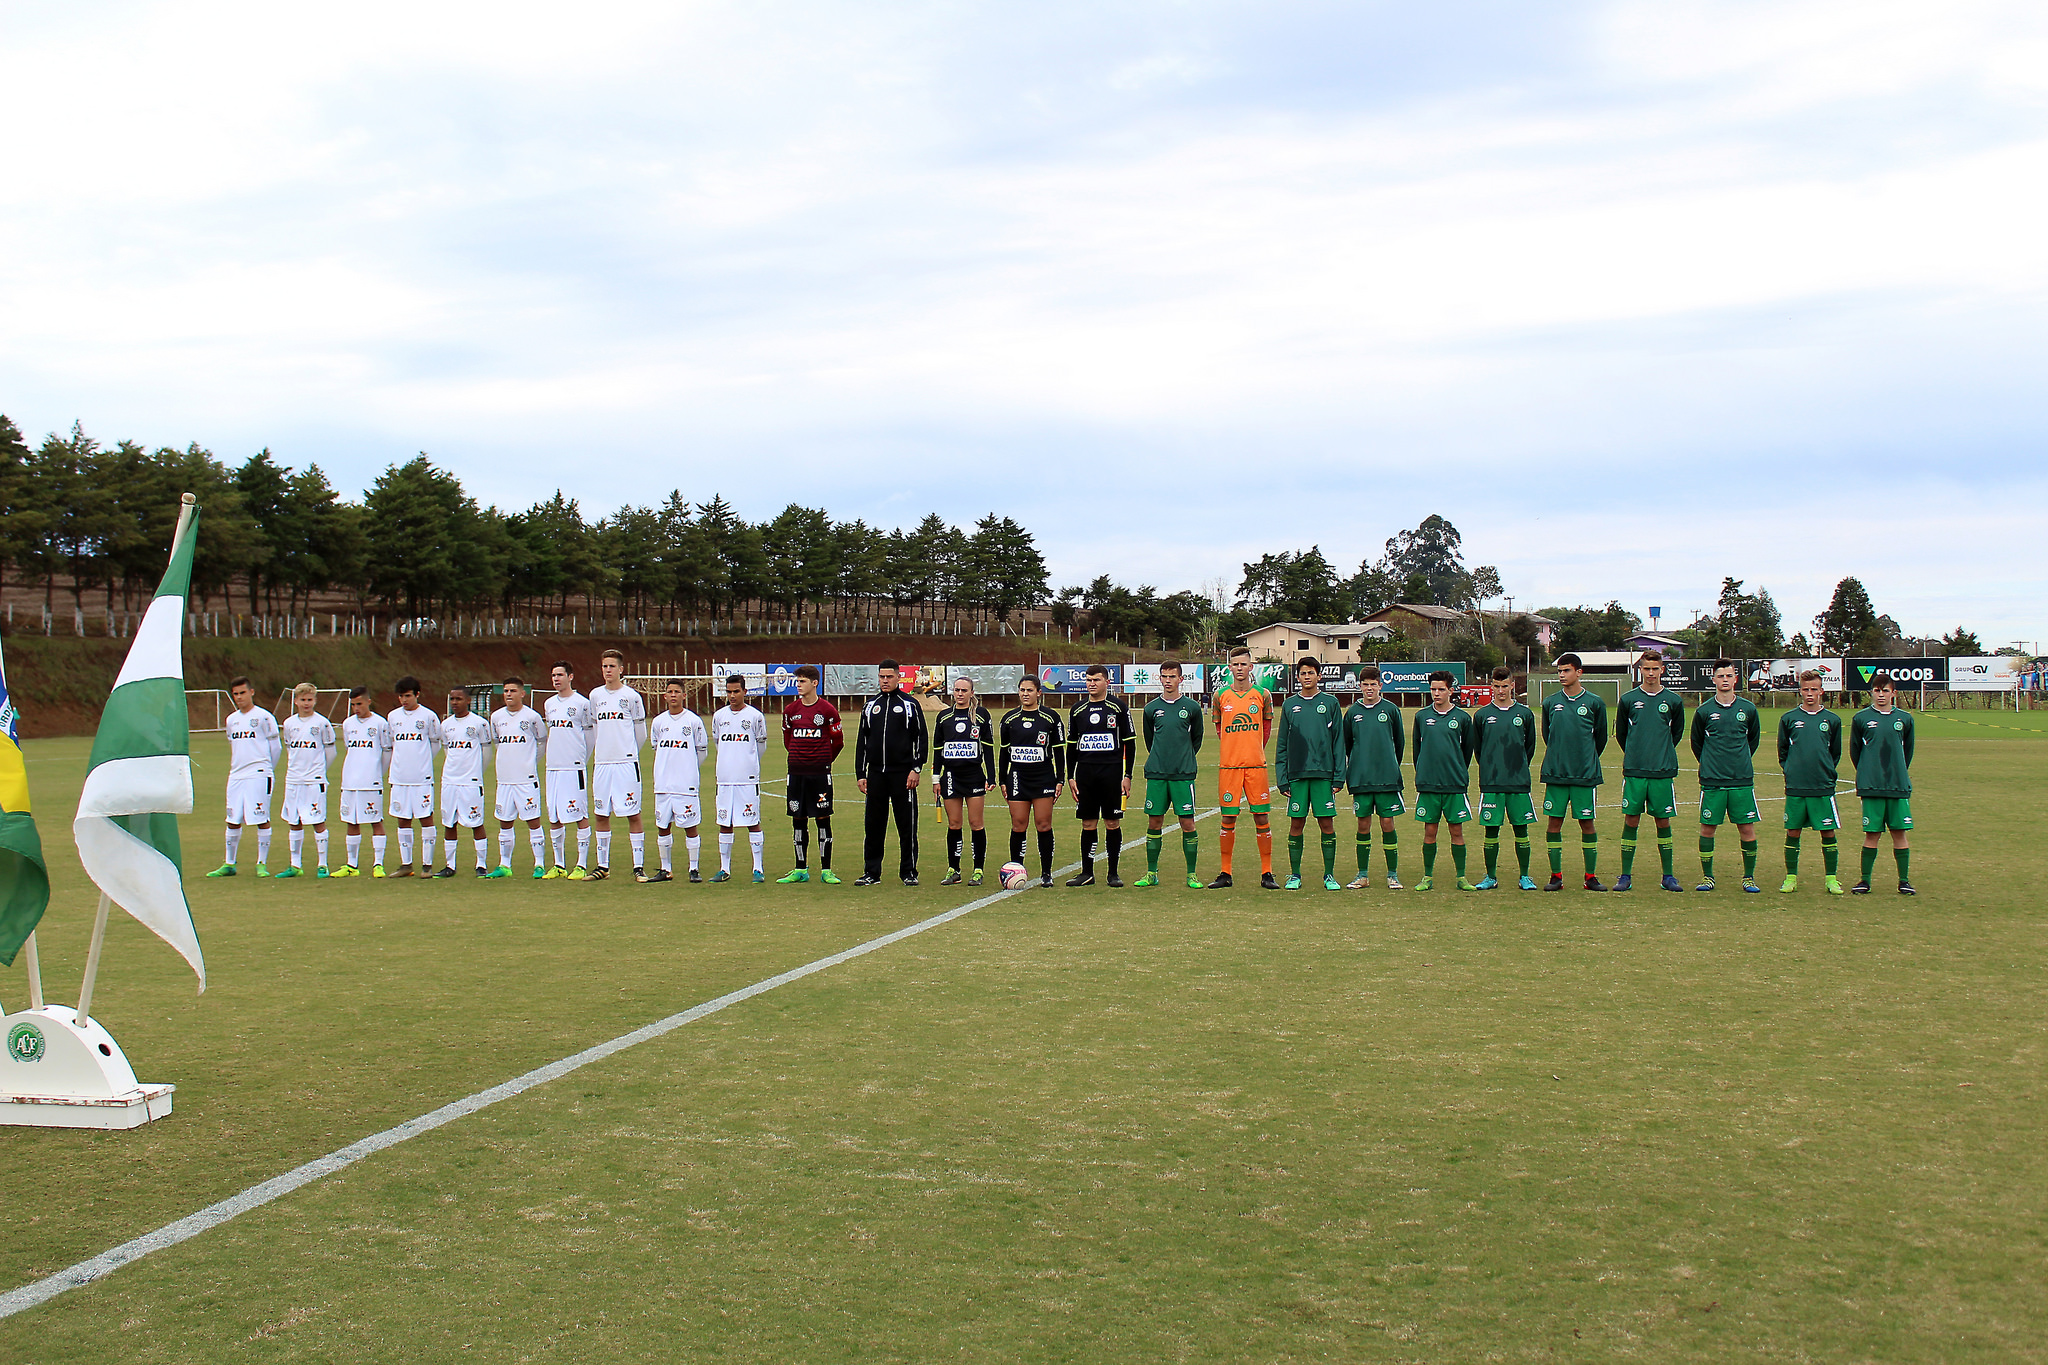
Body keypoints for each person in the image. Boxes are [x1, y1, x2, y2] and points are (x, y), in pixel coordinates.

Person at [1615, 649, 1687, 893]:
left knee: (1663, 821)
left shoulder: (1674, 701)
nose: (1651, 673)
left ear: (1662, 670)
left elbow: (1675, 733)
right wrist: (1636, 753)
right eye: (1646, 669)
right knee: (1631, 820)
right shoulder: (1627, 700)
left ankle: (1668, 876)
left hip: (1662, 770)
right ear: (1640, 670)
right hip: (1635, 770)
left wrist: (1661, 752)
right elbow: (1623, 735)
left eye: (1655, 669)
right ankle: (1625, 876)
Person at [1690, 659, 1764, 893]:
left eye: (1729, 675)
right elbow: (1697, 744)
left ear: (1735, 679)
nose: (1724, 679)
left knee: (1747, 829)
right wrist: (1712, 764)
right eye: (1720, 675)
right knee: (1707, 829)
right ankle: (1708, 877)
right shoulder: (1703, 711)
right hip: (1712, 781)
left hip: (1741, 780)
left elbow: (1752, 740)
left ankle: (1749, 877)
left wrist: (1738, 761)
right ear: (1713, 679)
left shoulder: (1748, 709)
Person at [854, 660, 927, 886]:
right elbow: (862, 742)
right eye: (882, 677)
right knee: (874, 825)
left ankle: (908, 872)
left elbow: (921, 739)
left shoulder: (910, 704)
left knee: (907, 826)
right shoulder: (870, 705)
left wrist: (916, 768)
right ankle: (872, 873)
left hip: (902, 775)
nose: (885, 681)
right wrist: (861, 773)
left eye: (889, 677)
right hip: (876, 774)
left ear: (898, 677)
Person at [1540, 653, 1609, 892]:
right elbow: (1547, 735)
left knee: (1587, 824)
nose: (1561, 675)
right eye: (1559, 671)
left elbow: (1600, 738)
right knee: (1553, 825)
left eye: (1566, 670)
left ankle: (1590, 877)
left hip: (1584, 775)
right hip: (1556, 774)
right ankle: (1555, 876)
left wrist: (1586, 759)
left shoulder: (1594, 702)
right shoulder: (1550, 703)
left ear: (1579, 672)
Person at [1210, 646, 1276, 890]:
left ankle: (1267, 872)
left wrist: (1252, 750)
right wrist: (1233, 749)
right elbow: (1219, 729)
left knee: (1261, 817)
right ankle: (1225, 873)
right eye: (1235, 664)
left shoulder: (1263, 694)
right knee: (1228, 817)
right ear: (1230, 668)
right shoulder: (1221, 696)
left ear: (1251, 667)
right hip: (1229, 767)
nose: (1239, 668)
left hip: (1256, 766)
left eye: (1243, 664)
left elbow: (1266, 729)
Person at [1274, 658, 1343, 890]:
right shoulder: (1289, 705)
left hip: (1323, 775)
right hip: (1297, 775)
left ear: (1319, 676)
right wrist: (1282, 778)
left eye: (1311, 673)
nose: (1306, 677)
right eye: (1302, 673)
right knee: (1296, 824)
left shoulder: (1330, 703)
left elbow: (1338, 743)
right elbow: (1282, 743)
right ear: (1298, 677)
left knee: (1326, 825)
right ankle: (1295, 875)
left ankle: (1329, 875)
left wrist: (1338, 777)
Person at [1064, 664, 1135, 886]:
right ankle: (1087, 873)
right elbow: (1071, 745)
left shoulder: (1119, 707)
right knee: (1088, 823)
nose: (1091, 683)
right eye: (1088, 680)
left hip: (1111, 773)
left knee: (1112, 822)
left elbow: (1129, 743)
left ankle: (1113, 873)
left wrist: (1128, 775)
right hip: (1086, 773)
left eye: (1096, 679)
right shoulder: (1077, 710)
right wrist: (1071, 776)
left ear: (1106, 682)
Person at [1136, 662, 1204, 889]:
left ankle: (1191, 874)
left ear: (1180, 679)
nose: (1167, 681)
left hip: (1183, 774)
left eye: (1172, 677)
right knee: (1154, 822)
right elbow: (1149, 740)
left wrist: (1183, 758)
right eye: (1164, 677)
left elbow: (1197, 738)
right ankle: (1151, 873)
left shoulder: (1192, 707)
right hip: (1156, 773)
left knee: (1187, 823)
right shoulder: (1150, 708)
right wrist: (1160, 759)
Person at [1778, 669, 1845, 896]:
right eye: (1805, 689)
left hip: (1822, 785)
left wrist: (1825, 770)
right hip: (1796, 785)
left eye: (1814, 689)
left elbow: (1835, 753)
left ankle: (1831, 879)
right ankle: (1790, 878)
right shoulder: (1788, 719)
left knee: (1827, 832)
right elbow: (1783, 752)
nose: (1809, 694)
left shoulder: (1833, 720)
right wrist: (1790, 770)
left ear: (1821, 691)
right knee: (1793, 831)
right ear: (1800, 691)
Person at [206, 675, 281, 877]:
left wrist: (266, 768)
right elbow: (234, 745)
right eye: (236, 694)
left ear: (251, 692)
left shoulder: (264, 717)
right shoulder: (231, 719)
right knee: (232, 818)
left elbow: (276, 747)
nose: (239, 697)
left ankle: (261, 863)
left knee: (261, 817)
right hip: (236, 775)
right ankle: (230, 863)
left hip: (259, 773)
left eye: (243, 693)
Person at [1471, 665, 1537, 890]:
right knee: (1491, 830)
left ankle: (1525, 876)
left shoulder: (1525, 714)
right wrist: (1491, 768)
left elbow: (1530, 747)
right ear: (1491, 687)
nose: (1501, 691)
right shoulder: (1481, 715)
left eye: (1505, 686)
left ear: (1512, 686)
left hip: (1518, 781)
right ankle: (1490, 877)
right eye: (1497, 687)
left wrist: (1516, 767)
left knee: (1521, 829)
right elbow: (1478, 749)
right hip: (1492, 781)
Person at [1412, 670, 1479, 892]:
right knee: (1429, 832)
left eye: (1441, 689)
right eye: (1433, 689)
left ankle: (1461, 877)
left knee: (1456, 831)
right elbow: (1416, 750)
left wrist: (1457, 771)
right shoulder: (1421, 716)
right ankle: (1427, 876)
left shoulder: (1462, 718)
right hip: (1429, 784)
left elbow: (1467, 751)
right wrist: (1423, 773)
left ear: (1451, 690)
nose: (1436, 693)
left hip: (1454, 784)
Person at [1850, 672, 1916, 895]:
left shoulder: (1905, 719)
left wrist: (1896, 771)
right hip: (1872, 786)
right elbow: (1855, 752)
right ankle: (1864, 880)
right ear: (1871, 693)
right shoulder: (1861, 718)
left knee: (1900, 833)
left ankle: (1904, 881)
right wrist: (1869, 772)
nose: (1881, 695)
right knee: (1872, 834)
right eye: (1877, 690)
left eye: (1885, 690)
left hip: (1897, 785)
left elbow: (1907, 752)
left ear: (1893, 693)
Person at [777, 665, 844, 885]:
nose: (798, 685)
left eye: (802, 681)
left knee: (823, 819)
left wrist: (823, 760)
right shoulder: (790, 711)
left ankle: (826, 870)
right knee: (798, 819)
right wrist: (800, 758)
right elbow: (788, 740)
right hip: (796, 773)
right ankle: (800, 868)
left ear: (815, 683)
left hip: (819, 773)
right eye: (797, 681)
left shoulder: (827, 711)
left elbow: (838, 742)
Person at [1341, 665, 1405, 890]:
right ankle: (1362, 875)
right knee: (1363, 825)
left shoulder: (1391, 709)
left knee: (1387, 823)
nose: (1369, 688)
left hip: (1386, 777)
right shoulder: (1352, 712)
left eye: (1373, 684)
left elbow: (1399, 743)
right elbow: (1347, 744)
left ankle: (1392, 875)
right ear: (1359, 686)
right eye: (1365, 685)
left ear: (1380, 685)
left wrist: (1389, 765)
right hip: (1361, 778)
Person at [588, 649, 649, 882]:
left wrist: (628, 753)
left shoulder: (632, 697)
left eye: (612, 666)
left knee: (632, 813)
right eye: (604, 666)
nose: (607, 670)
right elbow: (595, 729)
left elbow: (640, 733)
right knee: (601, 813)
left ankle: (638, 866)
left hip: (625, 763)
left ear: (621, 669)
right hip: (603, 763)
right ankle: (602, 866)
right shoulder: (595, 696)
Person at [999, 675, 1065, 887]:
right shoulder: (1009, 719)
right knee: (1018, 824)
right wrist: (1002, 779)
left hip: (1043, 777)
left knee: (1043, 824)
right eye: (1022, 690)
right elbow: (1003, 753)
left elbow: (1059, 753)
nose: (1025, 694)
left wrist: (1060, 780)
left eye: (1029, 690)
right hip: (1017, 777)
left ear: (1039, 693)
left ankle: (1047, 873)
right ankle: (1016, 870)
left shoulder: (1051, 718)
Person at [933, 676, 998, 886]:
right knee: (954, 824)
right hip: (950, 776)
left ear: (972, 693)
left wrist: (991, 776)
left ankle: (978, 869)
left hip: (973, 776)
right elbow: (937, 750)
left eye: (964, 690)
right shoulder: (944, 716)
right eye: (957, 690)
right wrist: (936, 779)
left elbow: (988, 747)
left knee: (976, 823)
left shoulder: (981, 715)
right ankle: (954, 869)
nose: (960, 694)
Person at [487, 678, 549, 879]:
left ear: (522, 693)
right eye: (505, 691)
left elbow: (542, 742)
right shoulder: (496, 717)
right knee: (505, 822)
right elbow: (497, 742)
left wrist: (530, 762)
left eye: (513, 691)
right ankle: (504, 865)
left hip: (526, 779)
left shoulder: (532, 717)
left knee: (533, 820)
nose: (508, 694)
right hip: (504, 780)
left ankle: (539, 864)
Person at [649, 678, 710, 883]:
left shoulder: (693, 721)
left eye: (677, 691)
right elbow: (656, 748)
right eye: (670, 691)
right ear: (665, 696)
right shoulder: (658, 722)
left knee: (690, 826)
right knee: (663, 825)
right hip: (663, 784)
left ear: (684, 695)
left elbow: (701, 751)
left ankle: (694, 868)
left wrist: (689, 768)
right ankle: (665, 868)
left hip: (686, 784)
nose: (673, 695)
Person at [712, 674, 770, 882]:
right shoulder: (719, 716)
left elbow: (760, 746)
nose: (732, 695)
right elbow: (718, 742)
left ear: (745, 692)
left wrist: (748, 763)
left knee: (752, 820)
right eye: (729, 692)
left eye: (736, 691)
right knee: (724, 821)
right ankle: (724, 869)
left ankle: (758, 869)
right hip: (725, 778)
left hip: (747, 778)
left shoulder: (755, 716)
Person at [275, 682, 336, 878]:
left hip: (314, 780)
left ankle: (323, 864)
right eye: (303, 700)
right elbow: (289, 748)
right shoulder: (289, 723)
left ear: (315, 700)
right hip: (294, 779)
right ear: (296, 701)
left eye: (310, 699)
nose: (306, 703)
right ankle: (295, 865)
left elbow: (331, 752)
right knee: (294, 821)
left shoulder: (322, 723)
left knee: (318, 820)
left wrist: (319, 771)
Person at [384, 676, 443, 877]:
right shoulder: (392, 717)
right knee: (402, 819)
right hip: (399, 778)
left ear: (417, 694)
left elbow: (436, 743)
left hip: (421, 778)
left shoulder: (428, 716)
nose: (404, 700)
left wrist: (422, 761)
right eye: (401, 696)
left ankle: (427, 865)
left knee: (425, 818)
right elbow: (391, 744)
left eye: (408, 696)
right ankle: (406, 865)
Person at [543, 661, 595, 879]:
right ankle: (559, 863)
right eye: (553, 675)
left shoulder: (582, 703)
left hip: (573, 767)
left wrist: (581, 759)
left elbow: (590, 736)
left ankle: (581, 864)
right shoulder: (548, 704)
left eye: (560, 675)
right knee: (554, 815)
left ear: (570, 677)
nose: (556, 679)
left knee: (579, 814)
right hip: (552, 766)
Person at [436, 686, 493, 877]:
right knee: (449, 823)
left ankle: (481, 865)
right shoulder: (445, 725)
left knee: (476, 822)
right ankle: (450, 865)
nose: (454, 702)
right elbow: (446, 749)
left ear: (468, 701)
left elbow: (486, 751)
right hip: (450, 780)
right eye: (452, 699)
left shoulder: (479, 724)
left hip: (471, 781)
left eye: (458, 699)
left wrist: (476, 772)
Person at [335, 686, 392, 877]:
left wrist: (377, 773)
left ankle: (378, 864)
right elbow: (348, 748)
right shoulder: (348, 724)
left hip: (371, 781)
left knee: (375, 820)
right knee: (351, 821)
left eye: (359, 704)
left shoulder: (380, 723)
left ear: (369, 701)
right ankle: (351, 865)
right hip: (350, 781)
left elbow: (387, 751)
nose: (356, 708)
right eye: (353, 705)